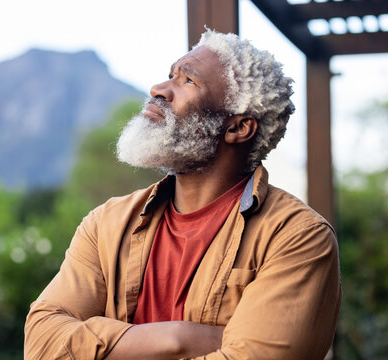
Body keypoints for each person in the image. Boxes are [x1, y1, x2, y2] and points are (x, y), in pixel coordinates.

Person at [24, 30, 341, 360]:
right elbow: (41, 343)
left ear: (237, 127)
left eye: (188, 80)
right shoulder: (106, 224)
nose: (159, 89)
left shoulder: (297, 237)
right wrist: (181, 337)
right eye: (170, 75)